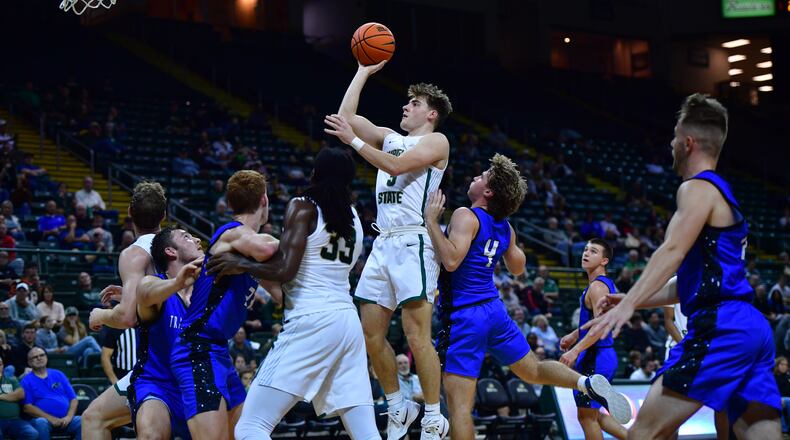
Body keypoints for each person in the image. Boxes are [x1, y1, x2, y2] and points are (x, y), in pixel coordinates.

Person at [585, 94, 781, 439]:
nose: (671, 142)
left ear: (688, 143)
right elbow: (687, 284)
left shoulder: (696, 188)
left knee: (643, 434)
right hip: (752, 327)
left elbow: (671, 249)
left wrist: (629, 304)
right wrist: (633, 296)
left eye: (675, 136)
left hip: (722, 326)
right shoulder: (725, 196)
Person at [423, 154, 631, 440]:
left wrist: (432, 221)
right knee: (532, 369)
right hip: (494, 310)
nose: (476, 176)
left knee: (459, 408)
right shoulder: (505, 227)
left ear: (488, 192)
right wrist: (505, 241)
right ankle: (584, 382)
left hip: (465, 315)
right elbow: (518, 268)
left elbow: (450, 260)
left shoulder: (464, 215)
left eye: (482, 176)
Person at [208, 148, 379, 440]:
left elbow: (286, 269)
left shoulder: (303, 206)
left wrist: (240, 262)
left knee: (250, 427)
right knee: (365, 431)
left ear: (315, 174)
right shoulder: (353, 216)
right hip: (347, 323)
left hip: (311, 319)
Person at [325, 60, 453, 439]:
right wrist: (363, 70)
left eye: (413, 103)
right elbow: (346, 116)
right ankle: (398, 405)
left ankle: (433, 414)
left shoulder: (436, 142)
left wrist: (354, 141)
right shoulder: (388, 136)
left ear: (430, 113)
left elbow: (395, 168)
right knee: (370, 333)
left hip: (414, 241)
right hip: (384, 241)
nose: (404, 107)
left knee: (417, 336)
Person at [170, 170, 278, 440]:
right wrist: (308, 240)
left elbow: (282, 295)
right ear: (264, 200)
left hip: (218, 351)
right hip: (197, 350)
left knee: (246, 433)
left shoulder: (247, 254)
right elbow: (268, 248)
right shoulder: (230, 234)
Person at [83, 181, 167, 440]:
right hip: (194, 355)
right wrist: (130, 293)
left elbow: (126, 317)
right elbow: (167, 293)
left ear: (129, 212)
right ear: (165, 215)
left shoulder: (134, 253)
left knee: (92, 418)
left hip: (159, 363)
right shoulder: (180, 243)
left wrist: (102, 315)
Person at [129, 227, 204, 440]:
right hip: (158, 385)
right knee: (151, 435)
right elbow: (144, 292)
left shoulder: (207, 291)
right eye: (187, 237)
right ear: (171, 251)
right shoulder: (155, 283)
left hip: (197, 387)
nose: (197, 239)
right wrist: (178, 282)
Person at [559, 239, 627, 440]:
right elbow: (597, 320)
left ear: (604, 260)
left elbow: (601, 326)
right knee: (593, 416)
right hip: (603, 355)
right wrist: (574, 334)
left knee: (587, 418)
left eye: (593, 251)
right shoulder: (603, 284)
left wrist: (576, 350)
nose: (586, 253)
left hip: (594, 357)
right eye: (586, 249)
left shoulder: (597, 287)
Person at [21, 347, 81, 439]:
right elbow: (27, 407)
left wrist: (68, 417)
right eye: (35, 357)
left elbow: (73, 399)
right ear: (29, 362)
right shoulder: (26, 381)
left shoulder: (58, 374)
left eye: (42, 355)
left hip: (66, 420)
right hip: (44, 421)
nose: (39, 358)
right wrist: (51, 419)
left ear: (46, 358)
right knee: (41, 422)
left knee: (82, 420)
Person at [0, 356, 38, 439]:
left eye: (0, 364)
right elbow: (15, 395)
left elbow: (20, 394)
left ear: (3, 366)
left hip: (15, 420)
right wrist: (12, 396)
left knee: (32, 433)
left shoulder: (11, 380)